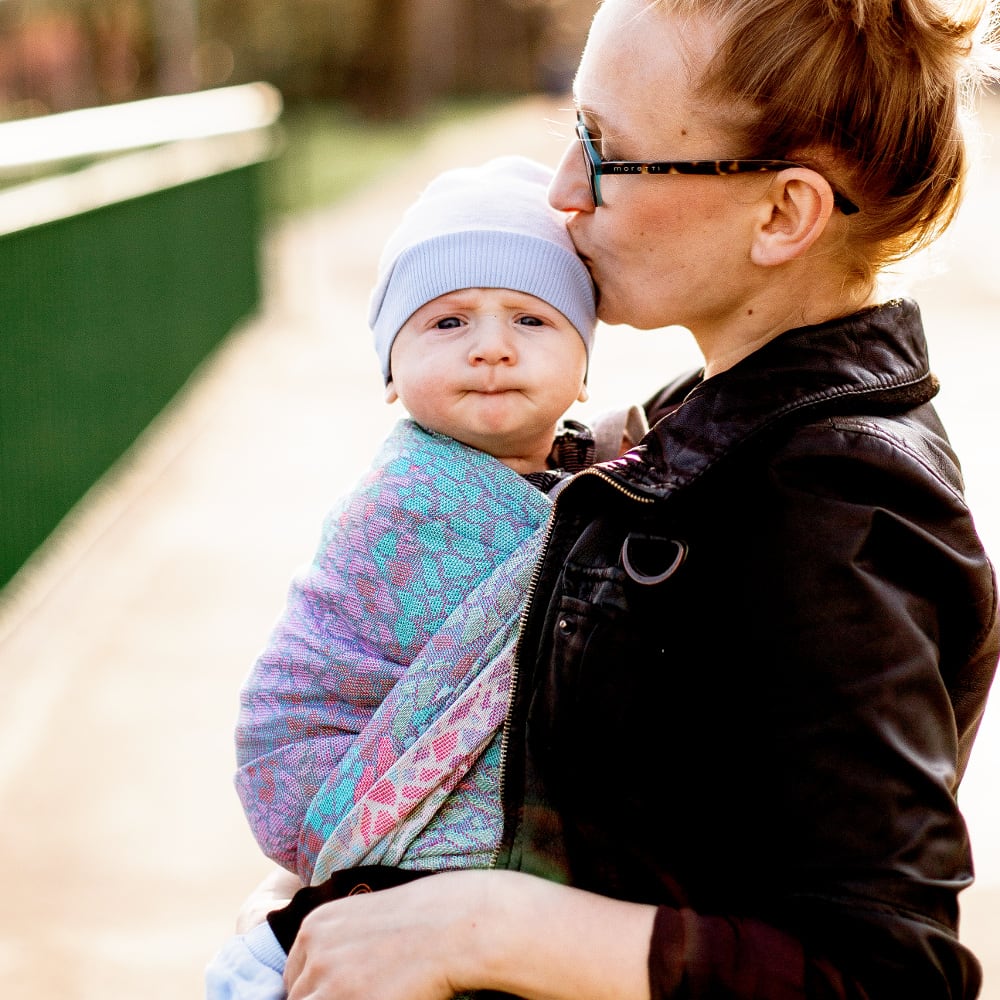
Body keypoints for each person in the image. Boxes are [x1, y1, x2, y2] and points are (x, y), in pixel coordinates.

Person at [270, 1, 1000, 998]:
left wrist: (481, 927)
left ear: (782, 214)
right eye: (576, 131)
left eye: (606, 150)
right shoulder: (703, 425)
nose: (564, 188)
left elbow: (881, 972)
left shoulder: (832, 514)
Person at [206, 155, 646, 998]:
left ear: (583, 365)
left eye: (531, 319)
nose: (490, 348)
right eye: (446, 323)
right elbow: (307, 693)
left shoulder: (582, 470)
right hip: (370, 819)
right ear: (389, 373)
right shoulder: (410, 502)